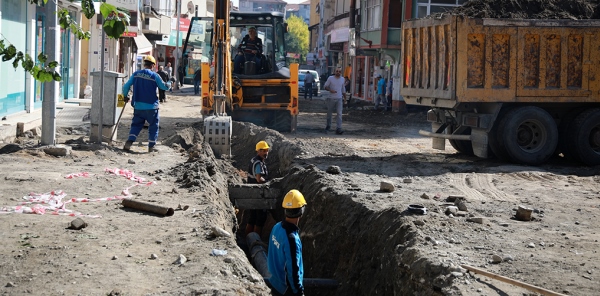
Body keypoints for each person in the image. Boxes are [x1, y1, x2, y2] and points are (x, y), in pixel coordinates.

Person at [121, 55, 170, 153]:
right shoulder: (155, 76)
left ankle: (129, 142)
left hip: (138, 105)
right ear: (153, 65)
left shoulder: (136, 74)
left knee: (136, 125)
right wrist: (170, 82)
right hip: (151, 107)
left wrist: (124, 96)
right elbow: (164, 87)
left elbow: (125, 86)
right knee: (153, 125)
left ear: (144, 64)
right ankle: (151, 146)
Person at [267, 189, 307, 296]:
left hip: (273, 283)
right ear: (301, 211)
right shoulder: (292, 239)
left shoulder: (277, 227)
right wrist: (299, 291)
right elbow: (293, 270)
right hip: (286, 290)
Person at [245, 140, 270, 237]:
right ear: (258, 151)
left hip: (252, 192)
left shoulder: (254, 160)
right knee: (260, 217)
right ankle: (255, 240)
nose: (265, 153)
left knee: (252, 216)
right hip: (258, 194)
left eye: (267, 150)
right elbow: (259, 179)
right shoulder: (258, 163)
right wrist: (268, 183)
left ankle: (248, 239)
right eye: (263, 151)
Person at [323, 67, 346, 135]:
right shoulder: (330, 78)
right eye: (337, 71)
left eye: (339, 71)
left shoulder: (342, 79)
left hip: (339, 98)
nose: (338, 72)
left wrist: (345, 98)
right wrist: (330, 90)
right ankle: (328, 126)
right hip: (331, 98)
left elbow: (343, 89)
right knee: (329, 113)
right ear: (334, 71)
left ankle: (339, 128)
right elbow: (325, 86)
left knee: (339, 113)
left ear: (341, 72)